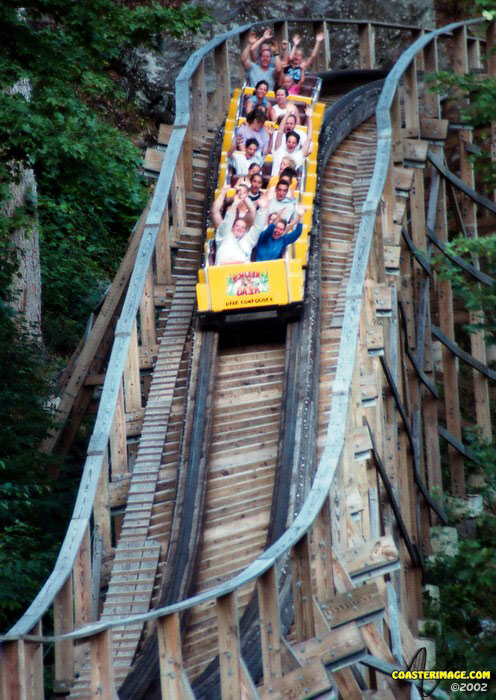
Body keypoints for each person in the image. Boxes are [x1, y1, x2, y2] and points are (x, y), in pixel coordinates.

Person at [212, 187, 266, 265]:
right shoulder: (223, 236)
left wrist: (262, 209)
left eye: (242, 227)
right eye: (237, 226)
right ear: (233, 227)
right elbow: (227, 222)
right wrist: (235, 204)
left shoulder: (249, 240)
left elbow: (258, 227)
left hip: (242, 274)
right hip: (223, 272)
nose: (240, 228)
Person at [271, 107, 313, 175]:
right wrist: (288, 113)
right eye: (289, 142)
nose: (291, 144)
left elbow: (309, 139)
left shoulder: (298, 156)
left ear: (296, 144)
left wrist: (309, 118)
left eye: (293, 143)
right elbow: (280, 131)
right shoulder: (279, 151)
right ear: (286, 142)